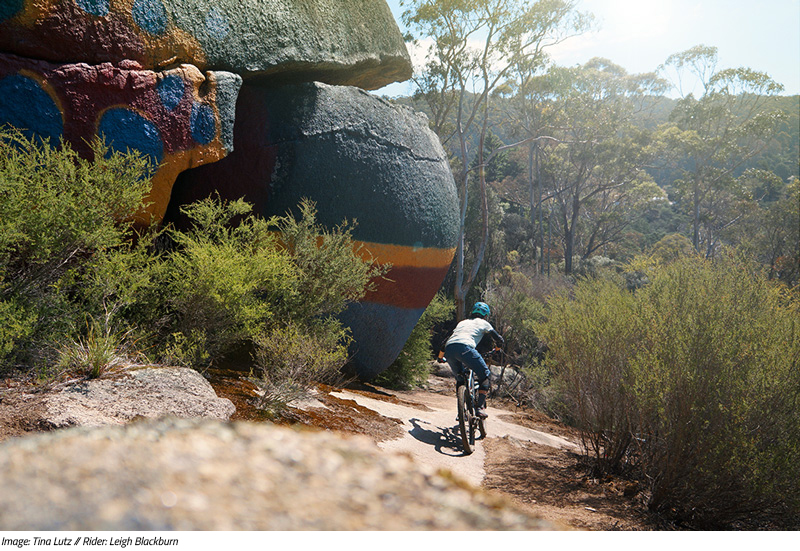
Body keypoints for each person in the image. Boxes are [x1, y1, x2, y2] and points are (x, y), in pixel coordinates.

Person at [437, 301, 504, 419]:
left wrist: (440, 358)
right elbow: (499, 339)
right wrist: (497, 349)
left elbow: (444, 343)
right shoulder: (484, 323)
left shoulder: (462, 323)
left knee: (460, 378)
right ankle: (479, 408)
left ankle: (461, 411)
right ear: (486, 315)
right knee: (485, 374)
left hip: (449, 349)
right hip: (465, 348)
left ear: (472, 312)